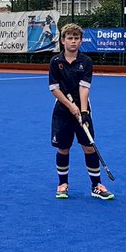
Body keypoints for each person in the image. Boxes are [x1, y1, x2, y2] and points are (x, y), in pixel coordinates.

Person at [48, 23, 113, 200]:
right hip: (62, 110)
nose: (73, 41)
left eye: (76, 38)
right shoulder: (55, 62)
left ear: (81, 41)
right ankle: (62, 184)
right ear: (63, 41)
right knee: (63, 148)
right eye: (70, 38)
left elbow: (84, 88)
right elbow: (54, 88)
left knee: (88, 147)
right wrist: (71, 106)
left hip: (82, 109)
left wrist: (83, 112)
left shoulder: (86, 62)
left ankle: (96, 186)